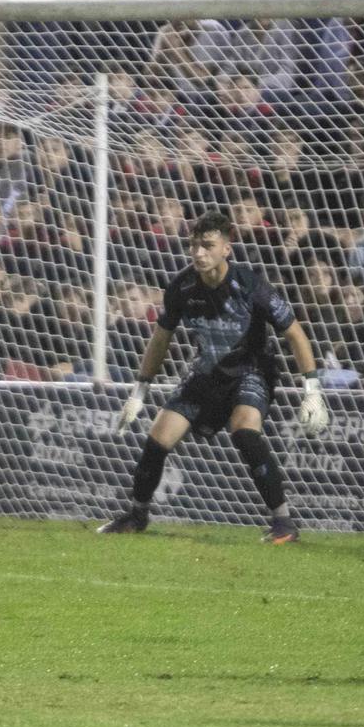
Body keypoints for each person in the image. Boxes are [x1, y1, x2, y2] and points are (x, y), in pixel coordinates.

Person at [102, 209, 329, 544]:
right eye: (194, 245)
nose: (198, 252)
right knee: (157, 438)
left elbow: (295, 333)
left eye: (207, 245)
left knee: (244, 430)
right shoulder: (181, 287)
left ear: (226, 248)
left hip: (251, 370)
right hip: (207, 372)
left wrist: (311, 389)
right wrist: (139, 391)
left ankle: (284, 523)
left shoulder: (250, 286)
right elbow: (161, 338)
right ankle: (137, 515)